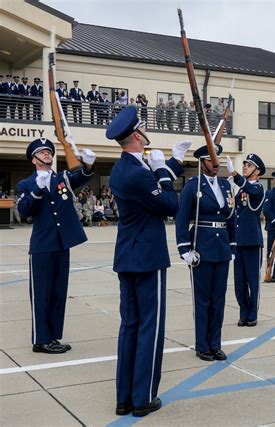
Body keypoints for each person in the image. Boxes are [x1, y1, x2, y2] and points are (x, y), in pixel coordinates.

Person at [106, 106, 192, 417]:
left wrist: (173, 163)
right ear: (138, 136)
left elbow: (149, 187)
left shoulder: (121, 169)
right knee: (149, 328)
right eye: (143, 130)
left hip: (128, 255)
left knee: (129, 325)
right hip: (148, 257)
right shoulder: (139, 174)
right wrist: (163, 172)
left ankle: (124, 397)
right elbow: (169, 204)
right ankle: (143, 397)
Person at [16, 138, 95, 354]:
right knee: (41, 294)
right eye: (41, 152)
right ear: (34, 159)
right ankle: (40, 340)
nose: (47, 154)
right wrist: (37, 190)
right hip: (42, 246)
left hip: (62, 243)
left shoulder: (62, 179)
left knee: (59, 293)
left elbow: (79, 177)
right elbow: (23, 211)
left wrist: (87, 165)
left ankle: (52, 337)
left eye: (49, 151)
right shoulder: (26, 184)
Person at [176, 144, 235, 362]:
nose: (216, 163)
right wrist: (184, 248)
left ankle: (215, 344)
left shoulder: (225, 186)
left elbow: (231, 217)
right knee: (203, 300)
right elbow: (181, 218)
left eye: (217, 159)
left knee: (219, 299)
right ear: (202, 162)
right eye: (212, 159)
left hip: (221, 249)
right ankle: (202, 345)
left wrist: (233, 245)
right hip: (201, 246)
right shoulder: (193, 186)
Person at [226, 153, 266, 327]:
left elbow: (251, 191)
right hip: (239, 242)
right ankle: (243, 312)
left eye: (249, 165)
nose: (245, 167)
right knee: (239, 283)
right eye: (244, 165)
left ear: (257, 171)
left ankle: (253, 314)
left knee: (252, 281)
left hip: (252, 241)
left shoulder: (258, 188)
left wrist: (235, 175)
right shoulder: (241, 189)